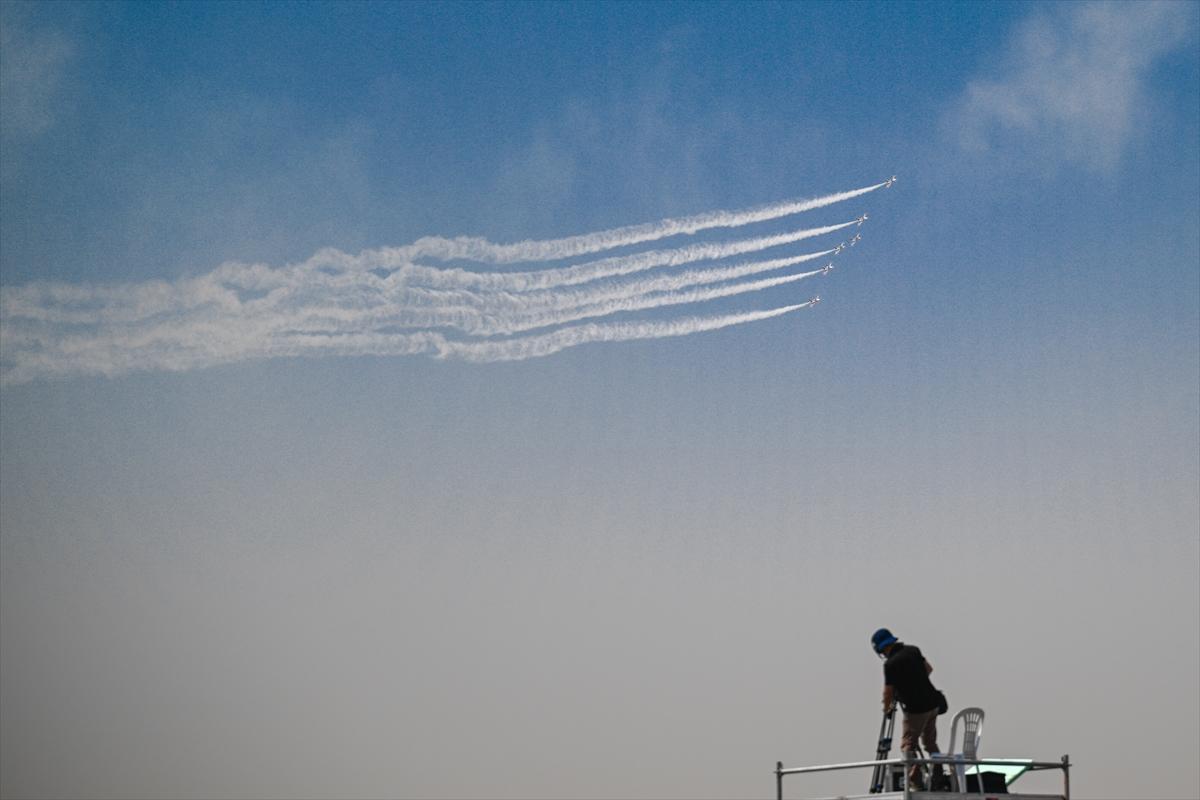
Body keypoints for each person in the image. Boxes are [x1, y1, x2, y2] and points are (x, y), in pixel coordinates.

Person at [871, 628, 945, 791]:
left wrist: (887, 708)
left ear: (882, 649)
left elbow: (888, 693)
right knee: (930, 743)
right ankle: (938, 774)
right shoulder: (913, 650)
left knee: (908, 745)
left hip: (916, 710)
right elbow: (928, 669)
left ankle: (915, 780)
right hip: (933, 704)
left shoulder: (890, 664)